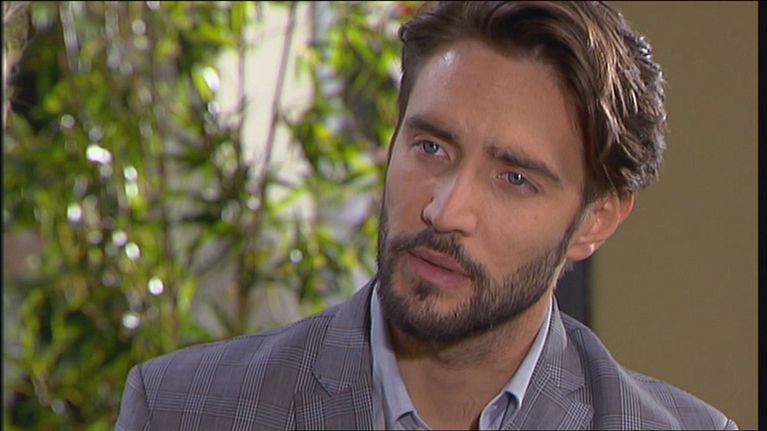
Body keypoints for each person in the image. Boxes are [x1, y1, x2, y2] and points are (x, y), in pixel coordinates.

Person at [116, 1, 736, 429]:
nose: (444, 210)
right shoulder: (183, 410)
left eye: (514, 179)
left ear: (595, 220)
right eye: (431, 148)